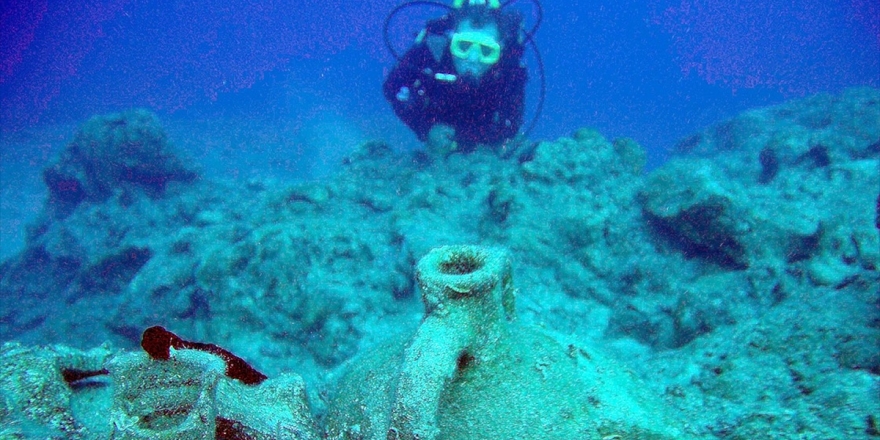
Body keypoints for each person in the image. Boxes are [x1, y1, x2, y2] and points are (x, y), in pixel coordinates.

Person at [383, 0, 527, 156]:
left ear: (499, 51)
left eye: (486, 51)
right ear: (451, 40)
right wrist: (425, 128)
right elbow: (392, 88)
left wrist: (476, 141)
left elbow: (512, 125)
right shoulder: (432, 51)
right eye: (463, 46)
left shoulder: (508, 69)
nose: (473, 59)